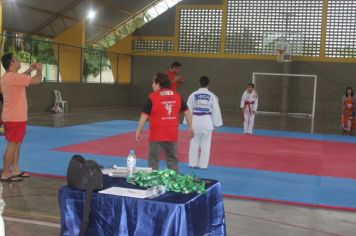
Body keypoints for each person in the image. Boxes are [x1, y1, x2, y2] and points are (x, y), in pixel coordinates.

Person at [136, 73, 193, 172]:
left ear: (158, 83)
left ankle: (152, 183)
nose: (152, 85)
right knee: (172, 160)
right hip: (172, 134)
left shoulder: (152, 97)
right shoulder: (177, 95)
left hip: (156, 135)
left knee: (153, 160)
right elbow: (187, 112)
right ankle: (174, 183)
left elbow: (144, 116)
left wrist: (138, 131)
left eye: (153, 82)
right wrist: (190, 127)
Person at [0, 53, 42, 182]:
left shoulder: (9, 77)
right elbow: (37, 81)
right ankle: (6, 173)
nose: (19, 61)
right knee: (12, 145)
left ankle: (16, 169)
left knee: (16, 145)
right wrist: (39, 70)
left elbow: (21, 78)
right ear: (12, 63)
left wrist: (29, 70)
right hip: (15, 118)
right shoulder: (13, 77)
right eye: (17, 59)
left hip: (13, 117)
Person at [186, 76, 223, 169]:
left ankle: (192, 164)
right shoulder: (212, 96)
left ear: (199, 83)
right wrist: (216, 123)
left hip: (195, 121)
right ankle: (203, 165)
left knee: (194, 143)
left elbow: (188, 110)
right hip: (207, 122)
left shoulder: (193, 95)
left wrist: (188, 123)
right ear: (208, 84)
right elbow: (216, 110)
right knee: (206, 145)